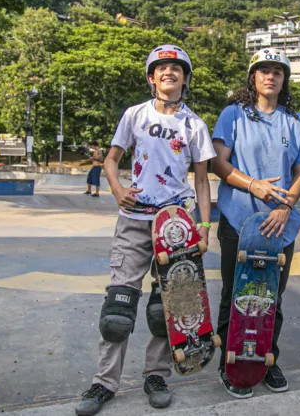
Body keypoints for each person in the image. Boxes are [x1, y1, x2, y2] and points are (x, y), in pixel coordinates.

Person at [76, 45, 215, 416]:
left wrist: (204, 227)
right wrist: (118, 189)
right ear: (151, 78)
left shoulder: (195, 125)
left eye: (176, 68)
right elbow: (111, 159)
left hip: (177, 224)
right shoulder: (134, 115)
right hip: (135, 220)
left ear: (185, 78)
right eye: (161, 68)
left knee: (163, 306)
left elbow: (202, 182)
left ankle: (156, 375)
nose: (168, 72)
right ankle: (104, 382)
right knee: (118, 307)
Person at [211, 48, 300, 398]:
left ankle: (268, 360)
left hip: (279, 223)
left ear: (284, 79)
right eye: (263, 71)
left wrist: (286, 205)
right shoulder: (233, 115)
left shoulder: (295, 120)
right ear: (253, 77)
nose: (270, 76)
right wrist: (253, 184)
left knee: (272, 296)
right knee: (235, 293)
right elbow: (219, 165)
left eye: (277, 71)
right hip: (238, 220)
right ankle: (230, 362)